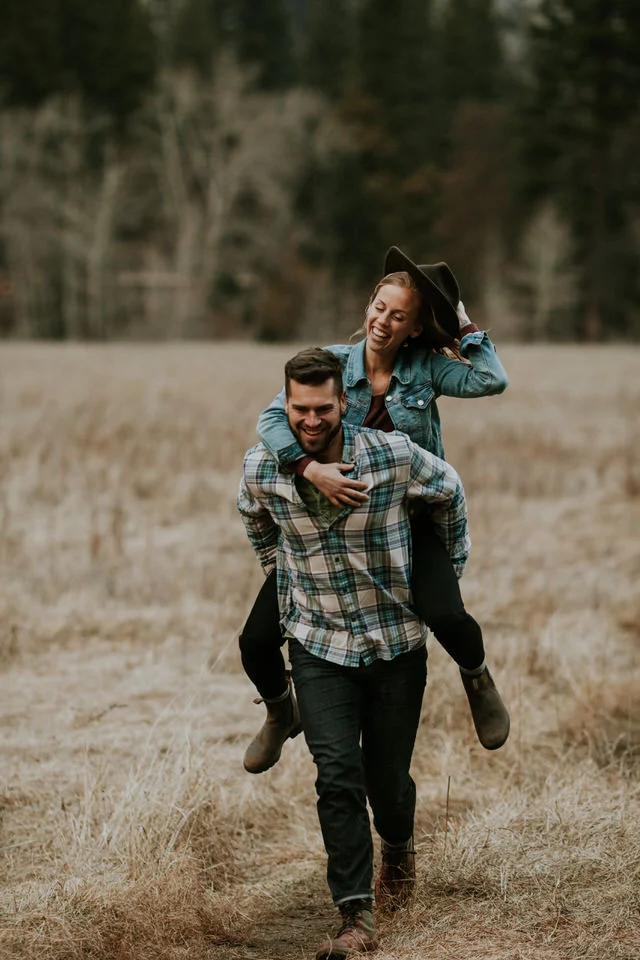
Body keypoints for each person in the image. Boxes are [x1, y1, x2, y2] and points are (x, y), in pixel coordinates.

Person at [240, 247, 510, 777]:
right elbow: (271, 420)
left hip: (406, 522)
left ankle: (477, 679)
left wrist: (461, 324)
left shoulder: (427, 369)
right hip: (333, 527)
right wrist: (306, 468)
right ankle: (279, 709)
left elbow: (490, 379)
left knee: (448, 615)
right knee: (254, 642)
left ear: (414, 328)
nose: (383, 321)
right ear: (368, 306)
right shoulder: (333, 365)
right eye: (378, 307)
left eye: (399, 315)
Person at [237, 347, 471, 958]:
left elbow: (449, 489)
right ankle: (355, 916)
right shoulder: (265, 466)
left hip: (394, 640)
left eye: (322, 408)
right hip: (317, 643)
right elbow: (252, 513)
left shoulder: (390, 456)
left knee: (386, 781)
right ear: (284, 406)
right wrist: (279, 574)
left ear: (344, 401)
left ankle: (398, 851)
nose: (310, 421)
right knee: (336, 775)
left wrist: (447, 568)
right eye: (298, 409)